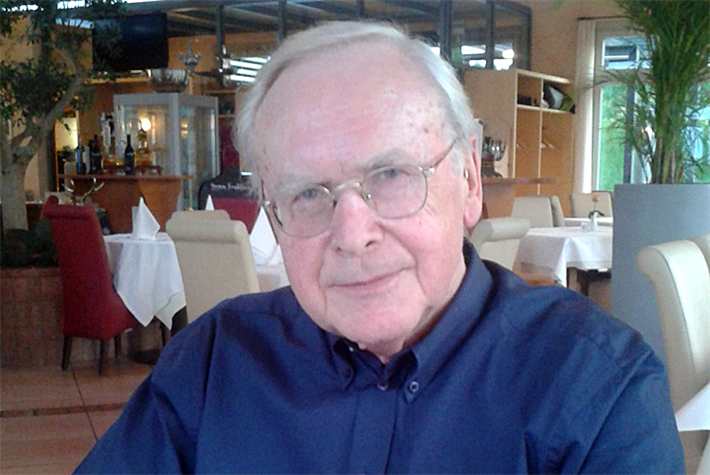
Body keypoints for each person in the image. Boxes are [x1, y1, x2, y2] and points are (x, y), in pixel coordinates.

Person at [73, 21, 684, 474]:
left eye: (391, 175)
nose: (352, 233)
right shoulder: (213, 365)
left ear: (469, 180)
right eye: (307, 193)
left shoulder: (597, 388)